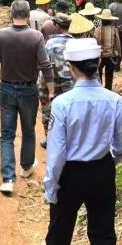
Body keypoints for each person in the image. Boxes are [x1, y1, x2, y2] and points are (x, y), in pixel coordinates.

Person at [36, 38, 122, 245]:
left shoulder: (62, 104)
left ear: (70, 67)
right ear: (99, 62)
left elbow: (56, 153)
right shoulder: (114, 101)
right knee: (103, 234)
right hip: (102, 171)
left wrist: (51, 185)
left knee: (59, 230)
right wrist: (108, 162)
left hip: (70, 175)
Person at [0, 0, 55, 195]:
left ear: (11, 14)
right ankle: (26, 166)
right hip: (28, 90)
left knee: (7, 134)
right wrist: (51, 90)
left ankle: (8, 179)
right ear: (28, 15)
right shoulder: (36, 36)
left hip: (7, 89)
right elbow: (45, 65)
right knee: (28, 130)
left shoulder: (1, 35)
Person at [39, 13, 74, 149]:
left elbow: (44, 66)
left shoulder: (50, 43)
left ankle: (50, 140)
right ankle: (69, 139)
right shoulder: (75, 43)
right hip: (70, 86)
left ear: (56, 26)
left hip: (50, 84)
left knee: (48, 111)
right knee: (69, 113)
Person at [94, 9, 121, 91]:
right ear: (111, 20)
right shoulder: (114, 30)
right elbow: (118, 43)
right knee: (109, 73)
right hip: (111, 56)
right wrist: (119, 54)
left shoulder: (97, 30)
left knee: (99, 72)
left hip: (100, 56)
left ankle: (99, 89)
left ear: (101, 20)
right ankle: (108, 88)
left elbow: (95, 43)